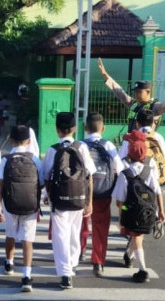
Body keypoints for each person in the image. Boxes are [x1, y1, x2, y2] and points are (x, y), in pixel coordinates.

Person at [41, 112, 96, 290]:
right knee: (74, 232)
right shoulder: (82, 147)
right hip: (79, 198)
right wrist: (89, 201)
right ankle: (72, 264)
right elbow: (89, 176)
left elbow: (45, 176)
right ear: (74, 129)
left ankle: (65, 274)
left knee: (60, 236)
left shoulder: (53, 150)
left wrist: (47, 195)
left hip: (59, 200)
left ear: (57, 130)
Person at [112, 130, 165, 283]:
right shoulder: (150, 166)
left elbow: (120, 200)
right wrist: (161, 210)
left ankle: (143, 270)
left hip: (130, 211)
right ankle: (128, 256)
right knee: (137, 236)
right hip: (148, 209)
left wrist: (121, 216)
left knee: (136, 237)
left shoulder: (125, 172)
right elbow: (157, 190)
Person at [0, 125, 43, 293]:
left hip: (10, 204)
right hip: (30, 206)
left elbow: (0, 184)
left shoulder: (6, 159)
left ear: (12, 140)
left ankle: (9, 263)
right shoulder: (35, 159)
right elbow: (42, 183)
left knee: (10, 235)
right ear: (29, 141)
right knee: (27, 240)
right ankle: (27, 276)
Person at [79, 113, 124, 277]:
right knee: (100, 228)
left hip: (83, 193)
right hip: (103, 192)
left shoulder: (80, 145)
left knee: (82, 223)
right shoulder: (109, 146)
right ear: (103, 128)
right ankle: (98, 261)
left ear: (85, 128)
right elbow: (119, 169)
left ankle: (80, 250)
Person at [97, 58, 165, 132]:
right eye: (135, 92)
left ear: (148, 92)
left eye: (139, 92)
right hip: (132, 143)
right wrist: (105, 75)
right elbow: (120, 92)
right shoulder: (134, 104)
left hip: (146, 145)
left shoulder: (154, 107)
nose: (136, 94)